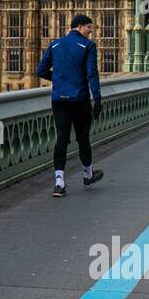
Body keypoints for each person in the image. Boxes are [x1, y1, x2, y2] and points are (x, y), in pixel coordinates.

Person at [36, 13, 104, 197]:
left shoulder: (55, 43)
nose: (91, 31)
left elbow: (40, 70)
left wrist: (58, 78)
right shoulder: (88, 46)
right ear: (80, 26)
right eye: (90, 27)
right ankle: (88, 174)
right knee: (83, 138)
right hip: (79, 99)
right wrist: (97, 98)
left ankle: (59, 182)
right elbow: (92, 74)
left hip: (58, 100)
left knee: (62, 139)